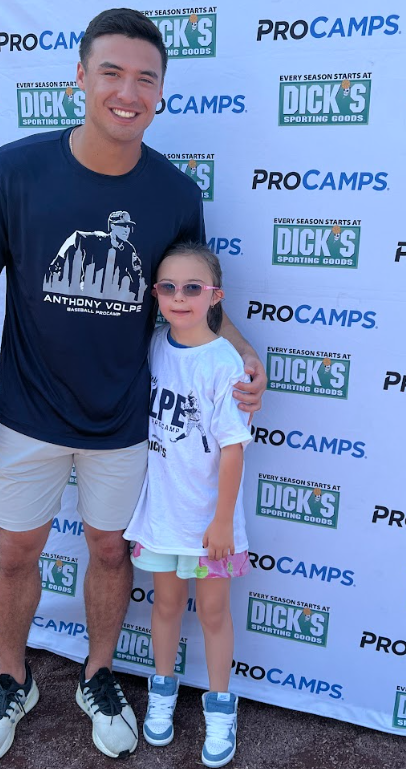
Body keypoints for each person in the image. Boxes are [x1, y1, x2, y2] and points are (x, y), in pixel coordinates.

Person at [0, 8, 266, 766]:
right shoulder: (14, 170)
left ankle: (99, 676)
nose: (128, 92)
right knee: (17, 553)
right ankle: (10, 677)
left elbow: (194, 299)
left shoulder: (174, 194)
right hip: (25, 412)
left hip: (125, 422)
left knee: (111, 553)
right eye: (112, 73)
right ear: (81, 78)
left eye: (145, 79)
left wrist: (246, 355)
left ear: (161, 94)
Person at [124, 242, 252, 769]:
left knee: (215, 613)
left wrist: (222, 520)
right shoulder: (152, 346)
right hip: (161, 519)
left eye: (193, 288)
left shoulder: (223, 362)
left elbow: (232, 449)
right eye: (169, 288)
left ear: (214, 296)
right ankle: (162, 692)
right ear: (155, 294)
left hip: (210, 526)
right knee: (166, 607)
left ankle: (220, 706)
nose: (180, 297)